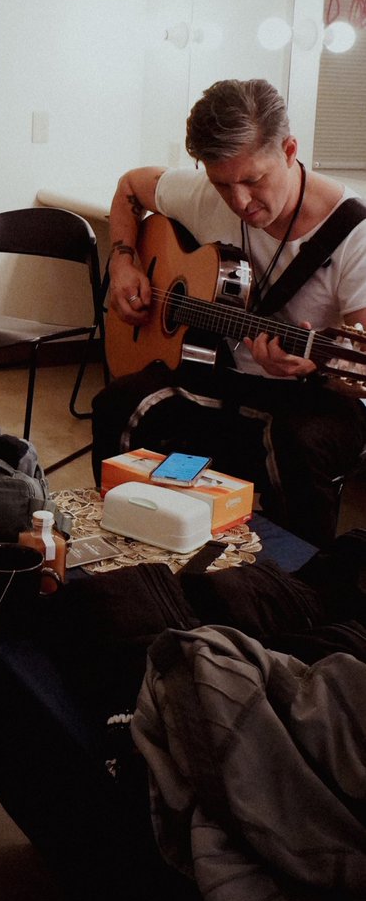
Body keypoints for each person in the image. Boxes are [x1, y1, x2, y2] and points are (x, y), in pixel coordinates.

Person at [92, 78, 366, 549]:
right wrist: (122, 260)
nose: (239, 201)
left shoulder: (354, 234)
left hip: (315, 396)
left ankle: (291, 590)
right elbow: (129, 188)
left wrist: (311, 369)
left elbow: (358, 367)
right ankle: (132, 552)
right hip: (219, 372)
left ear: (289, 150)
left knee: (293, 446)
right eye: (223, 183)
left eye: (253, 180)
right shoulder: (200, 193)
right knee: (120, 404)